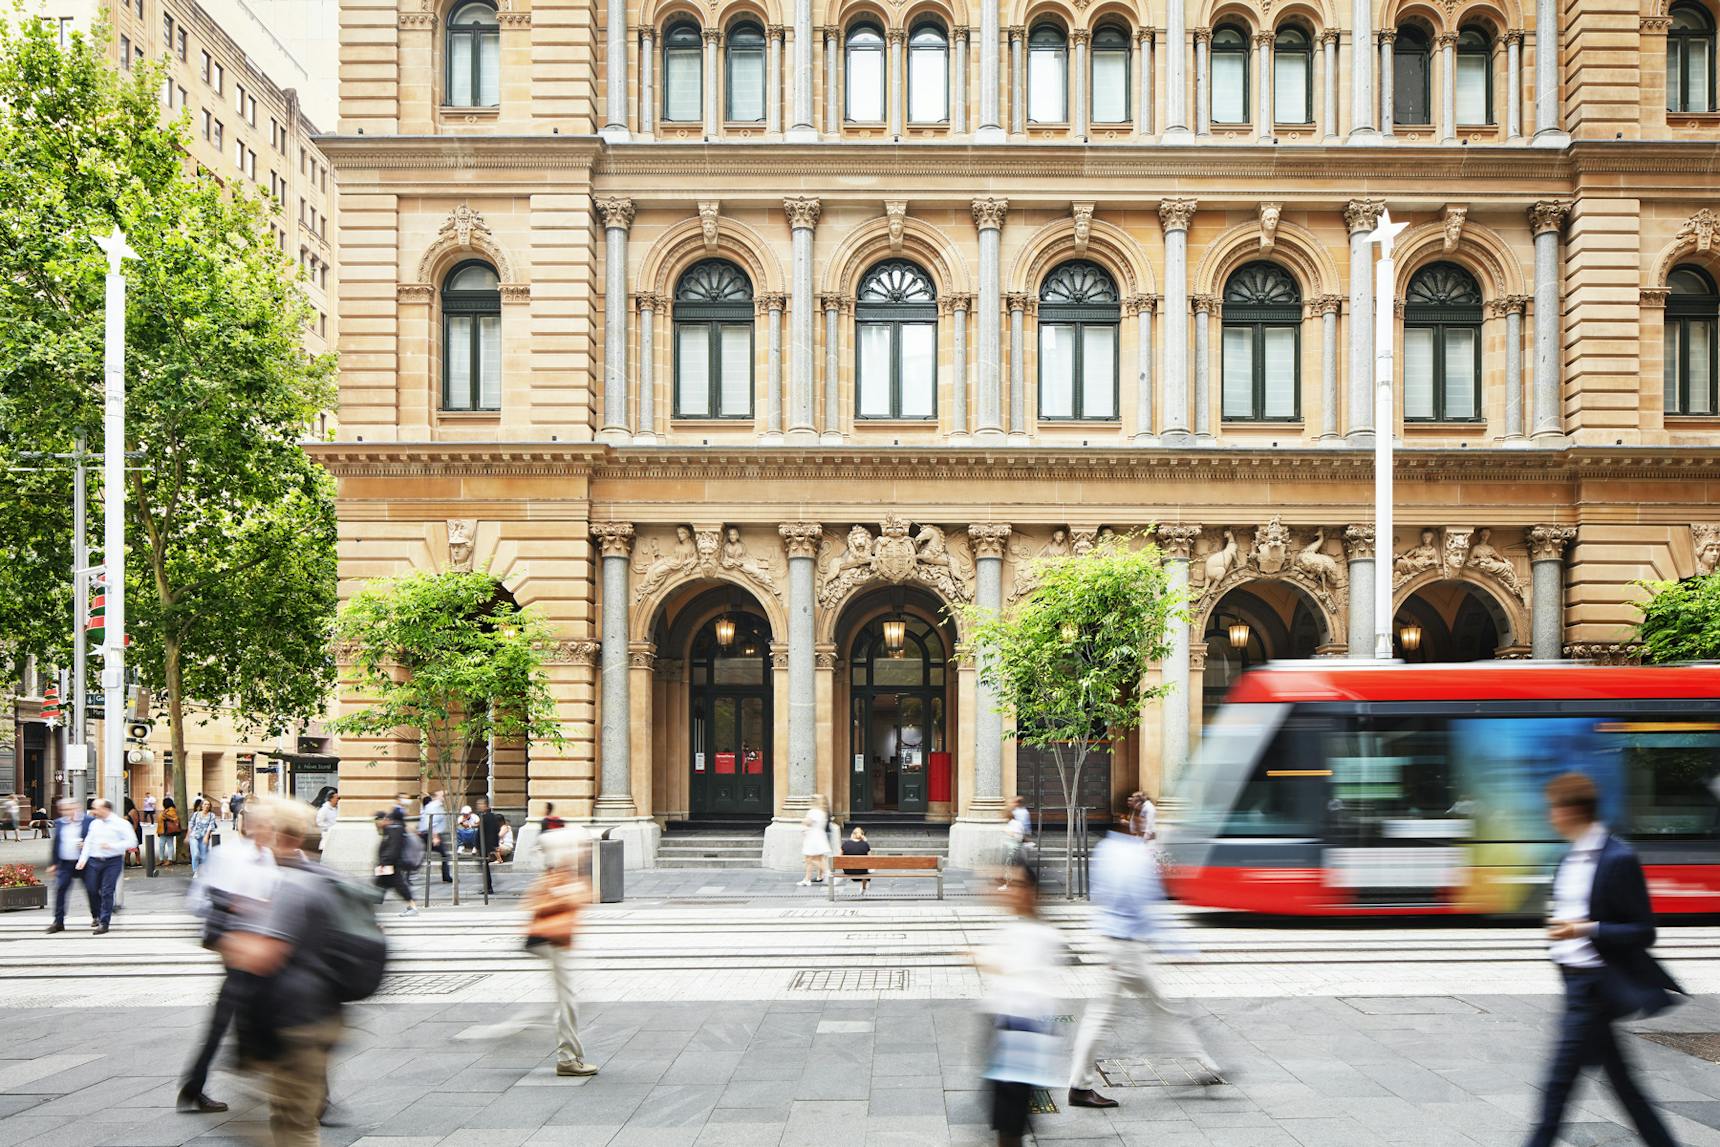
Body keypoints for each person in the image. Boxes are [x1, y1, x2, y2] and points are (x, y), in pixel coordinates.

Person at [1524, 773, 1683, 1147]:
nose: (1550, 816)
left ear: (1573, 810)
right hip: (1575, 983)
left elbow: (1644, 931)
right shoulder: (1569, 859)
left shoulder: (1618, 859)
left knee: (1557, 1088)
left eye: (1554, 808)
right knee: (1625, 1086)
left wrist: (1585, 929)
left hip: (1596, 987)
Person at [1065, 818, 1217, 1109]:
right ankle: (1205, 1065)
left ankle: (1205, 1064)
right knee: (1155, 1008)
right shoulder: (1136, 856)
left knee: (1117, 1013)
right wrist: (1178, 946)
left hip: (1113, 943)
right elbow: (1146, 904)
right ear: (1133, 823)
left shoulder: (1105, 849)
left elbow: (1100, 896)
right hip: (1128, 948)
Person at [222, 799, 348, 1147]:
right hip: (321, 1011)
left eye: (265, 829)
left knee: (293, 1124)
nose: (257, 835)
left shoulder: (290, 887)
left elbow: (265, 955)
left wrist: (227, 933)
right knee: (293, 1117)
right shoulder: (323, 876)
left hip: (295, 1020)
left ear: (283, 836)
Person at [181, 800, 279, 1114]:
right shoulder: (230, 856)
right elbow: (200, 900)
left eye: (272, 825)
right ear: (249, 826)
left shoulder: (268, 858)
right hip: (238, 948)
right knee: (269, 1014)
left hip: (262, 948)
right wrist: (239, 909)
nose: (269, 831)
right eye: (264, 824)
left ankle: (197, 1083)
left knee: (232, 1017)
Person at [978, 868, 1064, 1147]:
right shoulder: (1019, 927)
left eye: (1015, 885)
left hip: (1021, 1033)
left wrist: (978, 957)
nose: (1008, 891)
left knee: (1009, 1124)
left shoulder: (1039, 933)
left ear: (1032, 893)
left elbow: (1013, 968)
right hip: (1008, 1028)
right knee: (1007, 1119)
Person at [524, 828, 598, 1077]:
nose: (586, 852)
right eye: (582, 847)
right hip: (552, 941)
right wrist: (569, 897)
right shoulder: (556, 876)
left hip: (558, 941)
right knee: (568, 1001)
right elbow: (535, 903)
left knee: (567, 1000)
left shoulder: (564, 875)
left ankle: (562, 1051)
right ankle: (566, 1058)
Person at [76, 798, 137, 934]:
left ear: (105, 809)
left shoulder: (121, 823)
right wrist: (82, 859)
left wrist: (113, 846)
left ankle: (104, 922)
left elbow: (132, 841)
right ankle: (97, 914)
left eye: (96, 808)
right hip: (94, 860)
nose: (93, 811)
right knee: (91, 888)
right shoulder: (94, 824)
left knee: (107, 891)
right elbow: (88, 841)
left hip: (112, 861)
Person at [45, 798, 96, 934]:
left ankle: (96, 915)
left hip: (84, 863)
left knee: (92, 889)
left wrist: (86, 844)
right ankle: (58, 921)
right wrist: (53, 864)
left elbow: (96, 838)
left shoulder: (89, 822)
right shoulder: (60, 823)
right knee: (60, 889)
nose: (67, 812)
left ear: (77, 808)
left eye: (69, 809)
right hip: (65, 863)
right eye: (64, 810)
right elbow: (56, 845)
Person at [374, 808, 417, 916]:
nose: (376, 824)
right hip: (388, 864)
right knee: (381, 886)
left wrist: (385, 862)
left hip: (391, 864)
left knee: (398, 885)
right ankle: (370, 910)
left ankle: (413, 907)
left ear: (384, 819)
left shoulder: (394, 830)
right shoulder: (390, 830)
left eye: (377, 821)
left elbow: (393, 849)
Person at [419, 789, 452, 884]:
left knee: (421, 855)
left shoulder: (435, 806)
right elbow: (432, 822)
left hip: (428, 834)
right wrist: (435, 837)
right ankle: (446, 877)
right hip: (431, 835)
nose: (444, 798)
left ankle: (446, 876)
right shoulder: (434, 807)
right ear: (436, 796)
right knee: (445, 855)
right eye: (442, 795)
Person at [798, 796, 831, 887]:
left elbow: (808, 822)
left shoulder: (814, 812)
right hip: (818, 836)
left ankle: (829, 875)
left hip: (813, 837)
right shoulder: (822, 812)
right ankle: (807, 879)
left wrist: (803, 821)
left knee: (811, 859)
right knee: (813, 859)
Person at [1000, 797, 1032, 890]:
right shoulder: (1013, 822)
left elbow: (1019, 835)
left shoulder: (1017, 819)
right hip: (1014, 847)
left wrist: (1011, 834)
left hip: (1013, 848)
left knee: (1012, 866)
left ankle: (1010, 884)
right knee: (1016, 866)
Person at [476, 798, 505, 894]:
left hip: (485, 845)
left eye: (480, 804)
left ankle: (488, 887)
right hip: (483, 845)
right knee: (484, 867)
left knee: (484, 867)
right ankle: (488, 886)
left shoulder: (489, 817)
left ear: (485, 805)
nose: (478, 806)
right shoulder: (484, 816)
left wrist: (491, 846)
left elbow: (491, 832)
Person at [189, 799, 220, 875]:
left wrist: (206, 836)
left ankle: (203, 871)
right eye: (205, 804)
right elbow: (191, 824)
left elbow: (211, 826)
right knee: (195, 854)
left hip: (204, 837)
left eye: (208, 804)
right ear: (201, 806)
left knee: (203, 856)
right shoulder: (196, 814)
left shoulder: (211, 815)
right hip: (194, 836)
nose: (206, 806)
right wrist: (187, 836)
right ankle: (195, 871)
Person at [840, 826, 872, 895]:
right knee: (866, 868)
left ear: (852, 834)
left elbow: (839, 857)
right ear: (862, 835)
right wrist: (865, 841)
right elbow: (870, 859)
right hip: (862, 871)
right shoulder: (865, 844)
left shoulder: (845, 844)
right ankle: (864, 887)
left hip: (848, 870)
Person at [158, 796, 183, 866]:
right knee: (161, 845)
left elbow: (174, 818)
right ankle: (162, 859)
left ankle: (169, 859)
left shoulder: (171, 810)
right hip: (163, 830)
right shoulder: (167, 810)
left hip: (168, 830)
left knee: (168, 844)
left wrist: (165, 816)